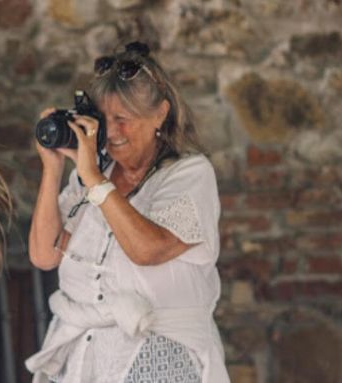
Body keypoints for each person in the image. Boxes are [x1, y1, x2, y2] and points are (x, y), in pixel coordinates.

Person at [25, 41, 230, 383]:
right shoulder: (95, 174)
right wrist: (53, 167)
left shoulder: (190, 174)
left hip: (160, 359)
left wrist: (92, 178)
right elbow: (45, 255)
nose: (113, 132)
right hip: (85, 359)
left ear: (160, 114)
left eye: (123, 119)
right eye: (104, 120)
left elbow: (147, 250)